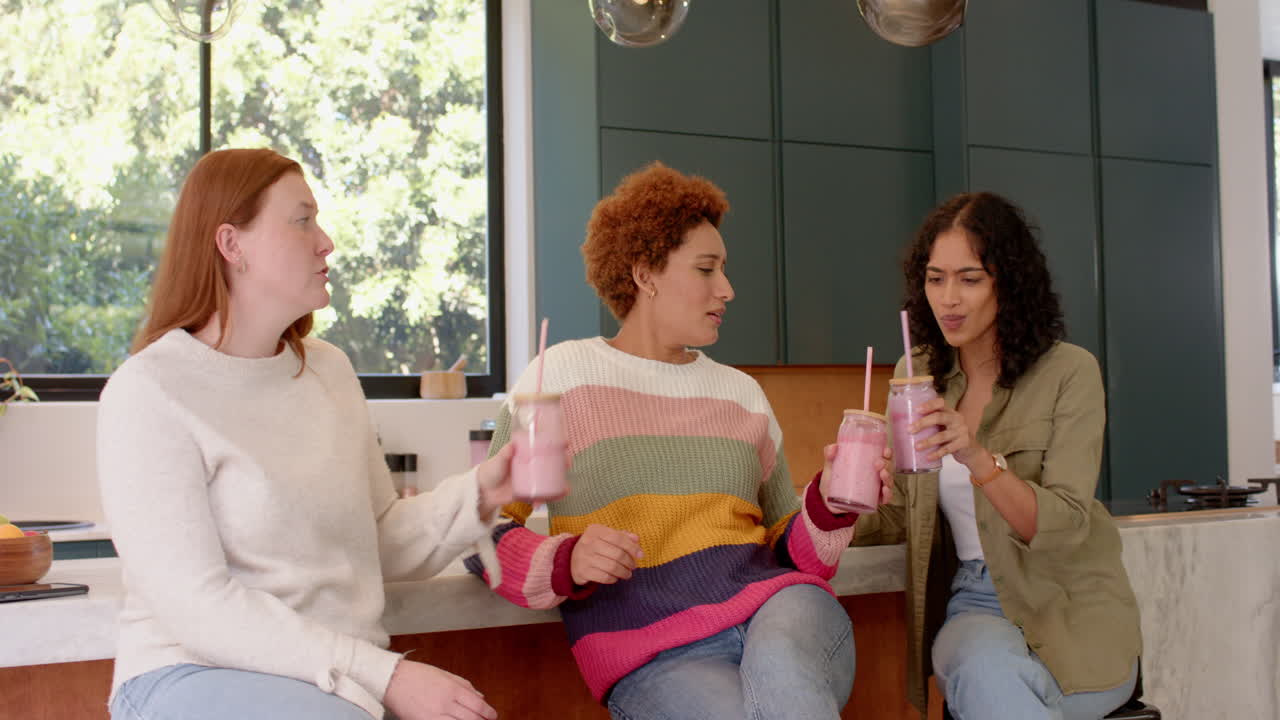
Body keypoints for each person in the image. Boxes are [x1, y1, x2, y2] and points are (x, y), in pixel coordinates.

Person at [464, 161, 892, 720]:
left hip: (781, 612)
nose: (728, 289)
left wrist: (830, 505)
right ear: (646, 274)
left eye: (725, 270)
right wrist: (566, 559)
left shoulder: (742, 394)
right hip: (652, 652)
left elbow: (793, 551)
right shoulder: (560, 377)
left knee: (787, 675)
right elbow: (476, 529)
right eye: (706, 269)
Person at [98, 148, 514, 720]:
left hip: (330, 683)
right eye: (302, 220)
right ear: (231, 245)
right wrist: (385, 675)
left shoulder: (328, 371)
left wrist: (486, 491)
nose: (326, 242)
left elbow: (377, 539)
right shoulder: (150, 390)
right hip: (190, 670)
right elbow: (198, 609)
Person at [853, 192, 1142, 719]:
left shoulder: (1069, 373)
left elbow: (1068, 524)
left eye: (969, 278)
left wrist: (977, 457)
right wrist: (832, 502)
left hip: (1075, 608)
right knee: (984, 671)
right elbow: (900, 512)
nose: (949, 299)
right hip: (975, 602)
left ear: (1007, 283)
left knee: (994, 694)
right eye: (935, 278)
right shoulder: (914, 374)